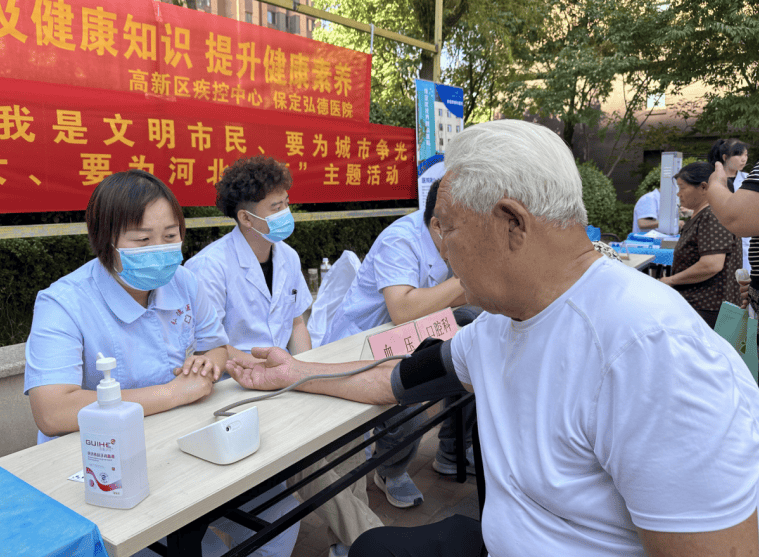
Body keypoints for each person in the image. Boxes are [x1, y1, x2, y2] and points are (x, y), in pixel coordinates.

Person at [226, 119, 759, 557]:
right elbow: (397, 380)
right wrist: (298, 372)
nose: (443, 255)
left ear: (511, 224)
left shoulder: (649, 352)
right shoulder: (501, 325)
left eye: (449, 230)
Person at [24, 169, 252, 556]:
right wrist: (175, 392)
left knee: (266, 499)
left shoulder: (182, 282)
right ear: (106, 242)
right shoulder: (63, 303)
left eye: (170, 236)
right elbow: (52, 410)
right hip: (93, 466)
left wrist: (208, 365)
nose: (161, 249)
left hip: (168, 443)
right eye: (143, 239)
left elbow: (217, 346)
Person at [186, 156, 382, 557]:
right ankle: (370, 541)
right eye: (275, 208)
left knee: (350, 441)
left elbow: (296, 325)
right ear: (245, 218)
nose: (285, 214)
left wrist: (305, 374)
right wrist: (277, 372)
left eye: (285, 203)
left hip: (286, 380)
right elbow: (209, 346)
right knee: (314, 467)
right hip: (239, 393)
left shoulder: (287, 257)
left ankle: (350, 543)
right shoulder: (208, 268)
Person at [321, 179, 471, 508]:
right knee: (409, 405)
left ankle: (451, 451)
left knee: (471, 360)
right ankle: (391, 470)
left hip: (416, 333)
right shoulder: (400, 240)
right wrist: (469, 277)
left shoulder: (450, 234)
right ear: (437, 224)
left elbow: (454, 300)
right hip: (365, 342)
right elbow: (403, 309)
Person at [659, 162, 741, 328]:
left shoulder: (712, 215)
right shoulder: (704, 214)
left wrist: (671, 280)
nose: (678, 193)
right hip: (701, 306)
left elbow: (712, 264)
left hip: (709, 308)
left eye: (682, 187)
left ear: (704, 188)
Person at [708, 138, 751, 270]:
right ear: (725, 157)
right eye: (739, 155)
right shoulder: (710, 179)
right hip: (716, 238)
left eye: (746, 155)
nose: (744, 159)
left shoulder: (750, 179)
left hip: (745, 239)